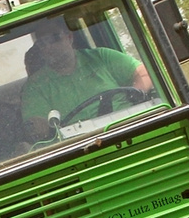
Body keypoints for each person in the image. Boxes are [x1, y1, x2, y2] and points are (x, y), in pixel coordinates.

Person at [19, 24, 152, 141]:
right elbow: (36, 126)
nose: (49, 46)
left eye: (54, 38)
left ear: (69, 37)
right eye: (41, 43)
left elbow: (144, 73)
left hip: (130, 128)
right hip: (80, 146)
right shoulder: (35, 86)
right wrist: (40, 127)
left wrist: (135, 94)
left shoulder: (101, 57)